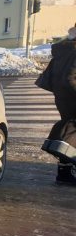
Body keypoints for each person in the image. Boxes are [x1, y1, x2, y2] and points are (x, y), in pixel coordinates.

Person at [39, 24, 76, 185]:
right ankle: (65, 172)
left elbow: (56, 74)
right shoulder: (74, 50)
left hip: (62, 96)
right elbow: (70, 77)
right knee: (71, 131)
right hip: (71, 95)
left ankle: (64, 172)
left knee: (70, 129)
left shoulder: (64, 48)